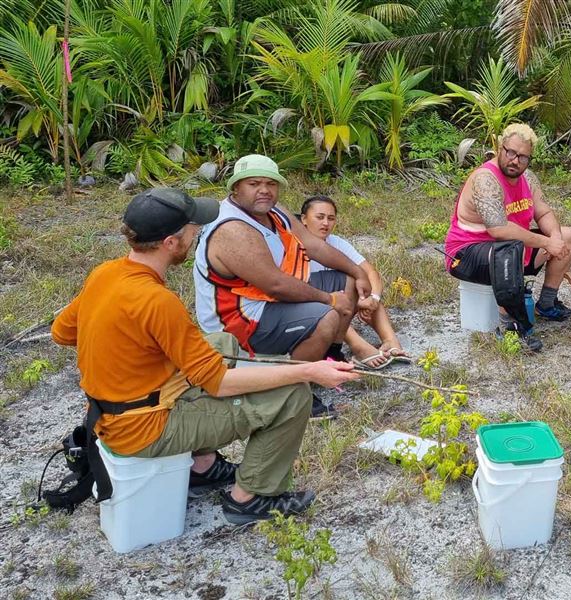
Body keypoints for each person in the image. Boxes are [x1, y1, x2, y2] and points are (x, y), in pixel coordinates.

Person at [52, 188, 361, 524]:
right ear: (171, 243)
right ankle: (251, 497)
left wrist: (129, 358)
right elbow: (219, 383)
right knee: (292, 396)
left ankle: (203, 466)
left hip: (113, 409)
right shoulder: (156, 300)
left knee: (222, 344)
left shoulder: (106, 273)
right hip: (143, 428)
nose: (198, 231)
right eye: (191, 228)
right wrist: (307, 372)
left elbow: (62, 332)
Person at [193, 154, 371, 418]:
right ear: (236, 188)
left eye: (271, 184)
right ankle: (295, 391)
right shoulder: (233, 228)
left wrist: (358, 272)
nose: (264, 190)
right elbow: (275, 285)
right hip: (240, 318)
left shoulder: (274, 212)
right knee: (326, 316)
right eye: (254, 184)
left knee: (345, 281)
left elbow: (313, 245)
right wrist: (329, 300)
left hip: (269, 298)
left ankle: (329, 352)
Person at [443, 123, 571, 352]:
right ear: (500, 148)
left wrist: (555, 237)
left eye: (523, 157)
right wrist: (546, 243)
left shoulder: (529, 178)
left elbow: (543, 212)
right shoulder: (486, 179)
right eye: (511, 153)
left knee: (568, 235)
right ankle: (511, 326)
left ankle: (546, 304)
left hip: (511, 251)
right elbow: (499, 230)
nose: (515, 161)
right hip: (466, 253)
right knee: (508, 249)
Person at [299, 195, 408, 368]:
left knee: (365, 292)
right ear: (304, 219)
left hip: (342, 298)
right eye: (319, 217)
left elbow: (370, 272)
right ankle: (359, 347)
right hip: (315, 305)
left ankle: (391, 341)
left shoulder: (336, 242)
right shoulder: (294, 245)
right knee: (335, 307)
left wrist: (372, 299)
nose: (325, 223)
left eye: (331, 218)